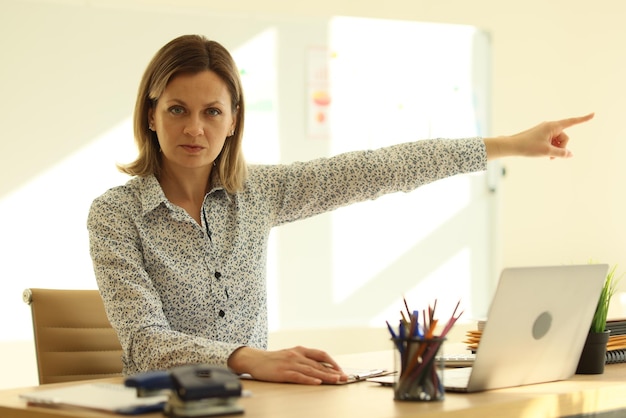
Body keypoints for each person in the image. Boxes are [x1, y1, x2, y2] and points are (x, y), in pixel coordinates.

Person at [87, 34, 594, 385]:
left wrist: (508, 145)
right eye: (177, 109)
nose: (194, 129)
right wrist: (250, 359)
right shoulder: (115, 215)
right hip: (164, 406)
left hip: (255, 401)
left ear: (234, 120)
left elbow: (380, 168)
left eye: (211, 111)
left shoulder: (258, 192)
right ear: (151, 114)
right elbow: (147, 342)